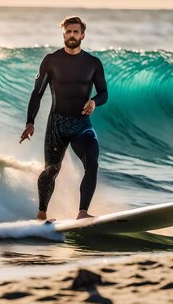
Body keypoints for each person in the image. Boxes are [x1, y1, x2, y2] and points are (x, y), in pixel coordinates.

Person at [19, 16, 108, 221]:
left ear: (83, 35)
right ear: (63, 34)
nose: (71, 35)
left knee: (92, 164)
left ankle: (82, 212)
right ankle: (42, 214)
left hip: (81, 124)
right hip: (57, 125)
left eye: (75, 32)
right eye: (68, 32)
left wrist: (94, 101)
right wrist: (30, 122)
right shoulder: (51, 60)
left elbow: (104, 93)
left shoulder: (93, 63)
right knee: (51, 170)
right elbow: (37, 93)